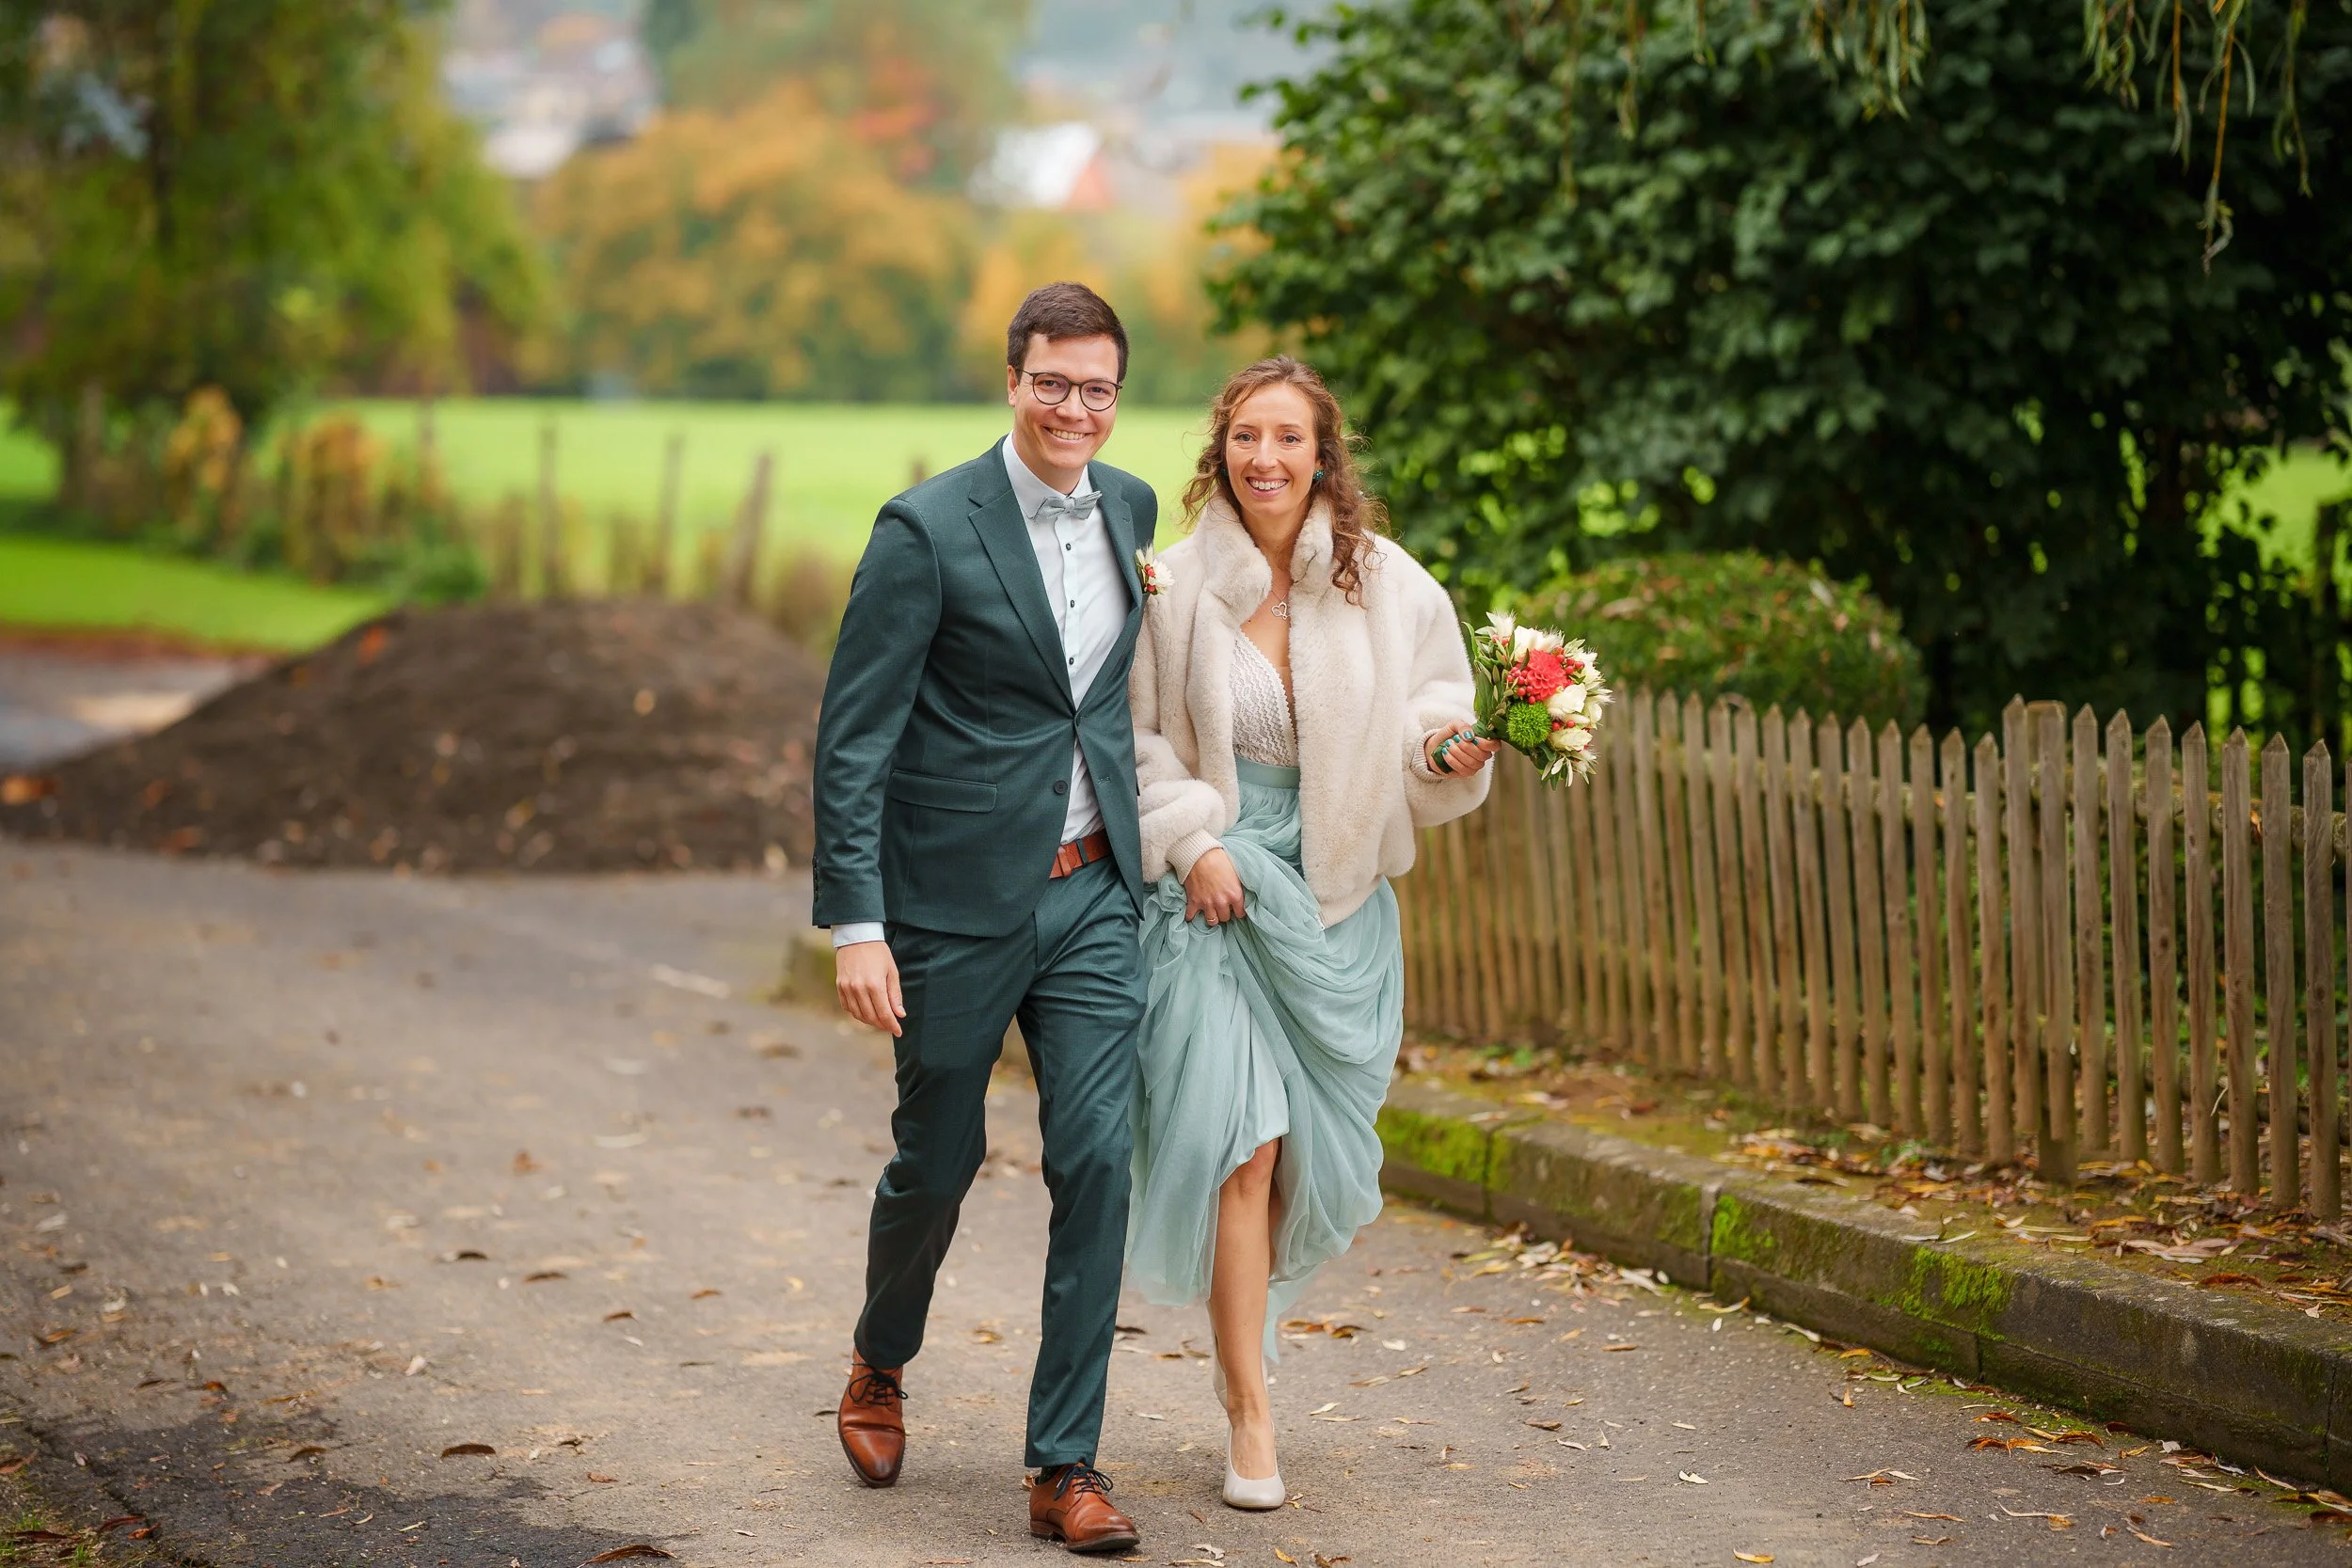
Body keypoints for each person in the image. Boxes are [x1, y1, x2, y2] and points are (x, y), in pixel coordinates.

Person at [812, 281, 1153, 1555]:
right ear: (1014, 379)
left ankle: (1065, 1460)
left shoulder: (1130, 508)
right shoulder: (925, 528)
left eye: (1098, 387)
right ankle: (879, 1355)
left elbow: (1101, 701)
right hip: (951, 906)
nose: (1076, 407)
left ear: (1118, 397)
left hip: (1091, 893)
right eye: (1054, 381)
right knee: (937, 1158)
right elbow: (855, 739)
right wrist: (857, 919)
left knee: (1100, 1158)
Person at [1126, 356, 1496, 1511]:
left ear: (1321, 453)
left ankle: (1253, 1334)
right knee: (1246, 1143)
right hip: (1215, 892)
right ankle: (1249, 1411)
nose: (1266, 458)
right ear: (1220, 451)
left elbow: (1432, 702)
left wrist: (1443, 752)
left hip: (1335, 898)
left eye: (1288, 437)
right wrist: (1195, 843)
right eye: (1245, 436)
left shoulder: (1384, 581)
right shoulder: (1173, 586)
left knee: (1303, 1164)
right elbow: (1136, 741)